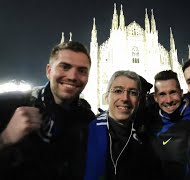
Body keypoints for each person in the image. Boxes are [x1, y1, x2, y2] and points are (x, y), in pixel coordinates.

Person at [0, 41, 95, 179]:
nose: (73, 76)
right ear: (49, 71)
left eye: (82, 71)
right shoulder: (10, 104)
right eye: (65, 67)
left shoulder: (87, 118)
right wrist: (5, 138)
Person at [84, 70, 160, 180]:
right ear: (106, 97)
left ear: (138, 101)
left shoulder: (145, 141)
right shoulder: (84, 135)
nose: (125, 98)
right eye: (118, 91)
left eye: (133, 93)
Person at [150, 70, 190, 179]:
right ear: (155, 98)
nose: (168, 100)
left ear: (181, 93)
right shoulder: (150, 126)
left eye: (173, 92)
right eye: (162, 94)